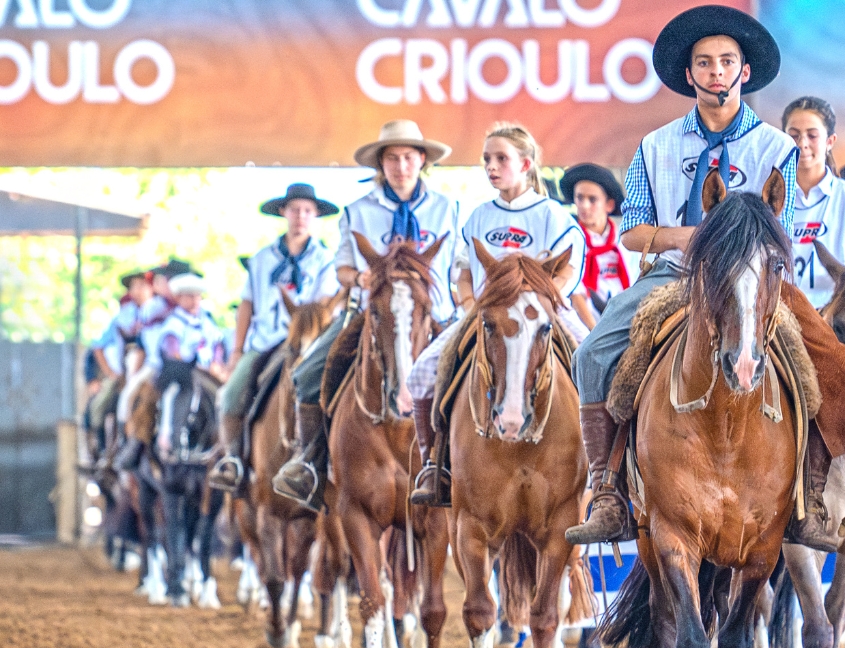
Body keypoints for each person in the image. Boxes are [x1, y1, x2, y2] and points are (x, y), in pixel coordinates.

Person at [566, 5, 845, 551]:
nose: (716, 72)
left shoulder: (777, 147)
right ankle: (607, 492)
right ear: (689, 75)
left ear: (744, 72)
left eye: (726, 62)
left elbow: (785, 228)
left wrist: (736, 244)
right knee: (591, 354)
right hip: (672, 275)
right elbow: (631, 231)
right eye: (704, 63)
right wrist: (685, 237)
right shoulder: (655, 145)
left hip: (753, 280)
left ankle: (811, 497)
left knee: (829, 360)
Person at [272, 120, 461, 513]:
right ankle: (310, 462)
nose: (401, 166)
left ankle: (475, 468)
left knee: (483, 375)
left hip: (435, 316)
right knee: (307, 375)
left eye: (408, 157)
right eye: (392, 158)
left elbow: (459, 266)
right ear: (380, 163)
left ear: (421, 160)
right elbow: (342, 268)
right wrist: (359, 277)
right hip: (371, 316)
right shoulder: (357, 211)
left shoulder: (447, 209)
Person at [406, 123, 588, 507]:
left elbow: (570, 269)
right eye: (487, 159)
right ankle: (433, 465)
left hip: (545, 314)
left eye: (501, 158)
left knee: (597, 362)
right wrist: (470, 306)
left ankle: (608, 475)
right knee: (421, 372)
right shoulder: (478, 216)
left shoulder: (553, 215)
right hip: (487, 315)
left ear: (525, 164)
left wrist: (545, 300)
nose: (491, 166)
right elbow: (463, 272)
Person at [207, 184, 341, 493]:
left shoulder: (326, 260)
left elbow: (324, 305)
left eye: (307, 211)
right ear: (283, 212)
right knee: (231, 393)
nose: (301, 216)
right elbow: (247, 304)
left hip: (309, 343)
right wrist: (237, 351)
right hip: (266, 342)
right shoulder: (261, 259)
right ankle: (233, 459)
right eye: (295, 210)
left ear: (315, 215)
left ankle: (331, 460)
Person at [781, 96, 845, 307]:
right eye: (794, 135)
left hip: (833, 314)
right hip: (777, 315)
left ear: (830, 141)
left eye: (812, 135)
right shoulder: (770, 196)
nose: (802, 144)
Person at [111, 259, 201, 471]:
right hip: (158, 364)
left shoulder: (195, 307)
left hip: (194, 366)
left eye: (163, 280)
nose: (158, 285)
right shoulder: (155, 307)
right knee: (137, 395)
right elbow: (147, 343)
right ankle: (133, 442)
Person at [88, 270, 163, 454]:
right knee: (102, 403)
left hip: (155, 366)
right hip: (126, 369)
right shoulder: (124, 315)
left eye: (141, 286)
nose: (137, 291)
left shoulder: (159, 309)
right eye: (133, 287)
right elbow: (97, 346)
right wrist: (111, 373)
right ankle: (107, 448)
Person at [560, 163, 640, 313]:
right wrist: (595, 327)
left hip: (626, 316)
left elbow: (637, 282)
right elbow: (575, 294)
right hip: (581, 320)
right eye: (579, 198)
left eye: (592, 199)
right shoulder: (569, 241)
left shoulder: (627, 240)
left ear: (609, 205)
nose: (584, 206)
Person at [155, 273, 229, 376]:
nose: (195, 300)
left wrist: (217, 362)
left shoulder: (205, 319)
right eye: (190, 296)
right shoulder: (173, 323)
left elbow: (217, 342)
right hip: (185, 375)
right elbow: (173, 354)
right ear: (178, 297)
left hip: (211, 371)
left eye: (198, 295)